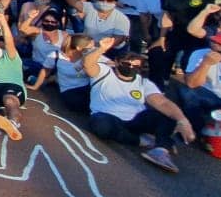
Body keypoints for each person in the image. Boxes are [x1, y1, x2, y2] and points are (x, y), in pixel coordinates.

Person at [83, 44, 196, 173]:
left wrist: (183, 120)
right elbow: (87, 64)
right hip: (108, 116)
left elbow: (162, 103)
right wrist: (102, 48)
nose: (131, 68)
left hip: (136, 119)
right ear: (116, 62)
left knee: (167, 115)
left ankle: (161, 150)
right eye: (126, 64)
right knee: (100, 125)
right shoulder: (104, 72)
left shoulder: (143, 82)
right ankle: (139, 140)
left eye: (136, 66)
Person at [27, 34, 103, 113]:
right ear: (79, 48)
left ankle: (55, 79)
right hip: (70, 89)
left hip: (87, 87)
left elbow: (107, 63)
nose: (94, 49)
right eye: (91, 47)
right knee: (80, 106)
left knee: (98, 103)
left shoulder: (90, 56)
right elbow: (45, 71)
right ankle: (51, 79)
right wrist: (35, 87)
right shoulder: (56, 55)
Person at [180, 33, 221, 143]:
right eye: (214, 41)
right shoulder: (200, 53)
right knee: (188, 93)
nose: (215, 45)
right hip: (211, 95)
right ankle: (200, 133)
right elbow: (192, 83)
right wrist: (205, 64)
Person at [63, 0, 130, 54]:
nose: (104, 2)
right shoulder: (91, 7)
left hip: (111, 50)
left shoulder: (122, 19)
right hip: (88, 46)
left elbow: (118, 39)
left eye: (109, 0)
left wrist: (99, 49)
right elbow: (76, 4)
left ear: (115, 2)